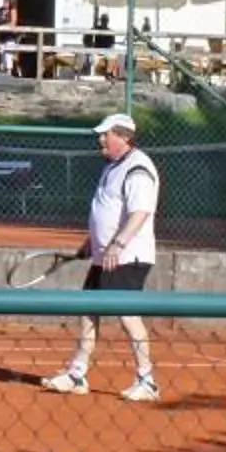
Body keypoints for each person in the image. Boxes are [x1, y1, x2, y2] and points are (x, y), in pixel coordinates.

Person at [43, 112, 161, 402]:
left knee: (128, 315)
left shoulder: (138, 169)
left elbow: (140, 213)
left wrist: (117, 245)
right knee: (88, 310)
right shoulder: (112, 167)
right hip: (105, 255)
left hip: (128, 257)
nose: (100, 140)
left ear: (124, 137)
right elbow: (106, 211)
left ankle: (147, 381)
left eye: (105, 134)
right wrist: (91, 244)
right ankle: (77, 374)